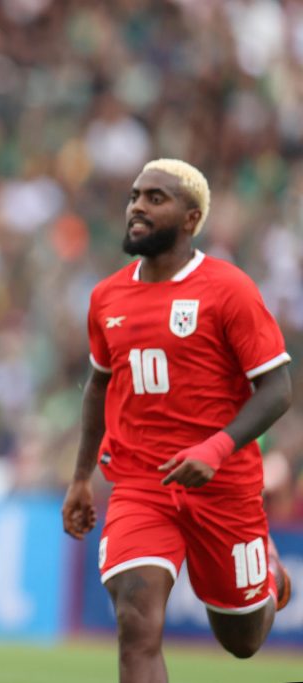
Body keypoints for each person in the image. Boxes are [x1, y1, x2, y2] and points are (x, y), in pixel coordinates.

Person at [61, 159, 293, 682]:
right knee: (135, 621)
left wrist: (215, 448)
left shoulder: (229, 289)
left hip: (223, 486)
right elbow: (99, 386)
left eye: (155, 198)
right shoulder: (106, 297)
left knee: (242, 640)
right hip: (141, 483)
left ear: (191, 219)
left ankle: (269, 578)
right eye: (134, 196)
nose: (137, 207)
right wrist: (80, 478)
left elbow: (278, 387)